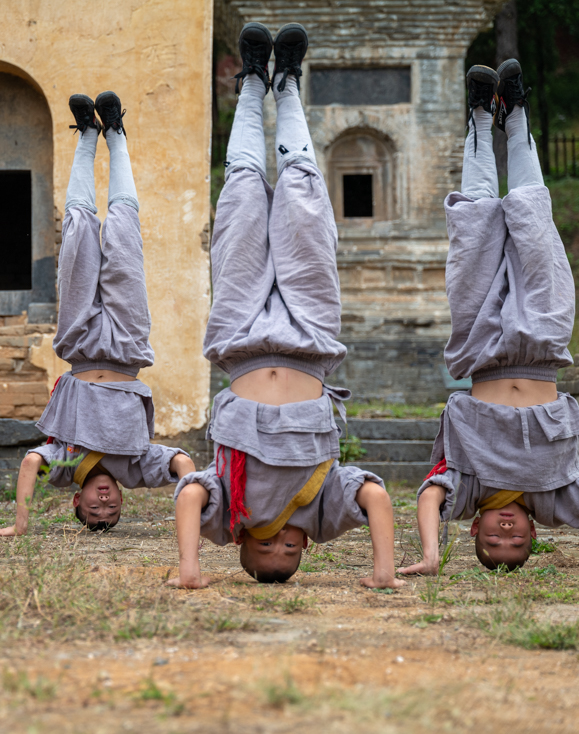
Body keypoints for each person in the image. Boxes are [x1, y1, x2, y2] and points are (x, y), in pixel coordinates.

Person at [169, 22, 401, 589]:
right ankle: (290, 84)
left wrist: (191, 567)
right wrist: (383, 573)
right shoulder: (322, 512)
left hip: (240, 338)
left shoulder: (227, 515)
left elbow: (190, 492)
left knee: (243, 196)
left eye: (264, 547)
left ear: (241, 542)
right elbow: (374, 494)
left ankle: (253, 82)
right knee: (304, 201)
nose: (281, 541)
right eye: (289, 554)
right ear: (306, 553)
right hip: (311, 340)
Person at [401, 61, 579, 575]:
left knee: (475, 224)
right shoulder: (557, 495)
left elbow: (430, 496)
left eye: (492, 543)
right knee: (532, 217)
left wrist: (433, 555)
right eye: (516, 545)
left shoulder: (469, 488)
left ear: (474, 528)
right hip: (544, 339)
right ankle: (516, 111)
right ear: (533, 533)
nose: (506, 535)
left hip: (481, 344)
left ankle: (480, 114)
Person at [0, 91, 195, 537]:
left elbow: (29, 462)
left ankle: (86, 136)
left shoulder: (66, 466)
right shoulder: (135, 467)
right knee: (123, 233)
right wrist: (193, 517)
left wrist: (20, 526)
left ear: (75, 501)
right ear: (122, 499)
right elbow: (182, 463)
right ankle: (115, 135)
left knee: (79, 232)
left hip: (80, 346)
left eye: (94, 512)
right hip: (127, 345)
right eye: (112, 512)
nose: (105, 505)